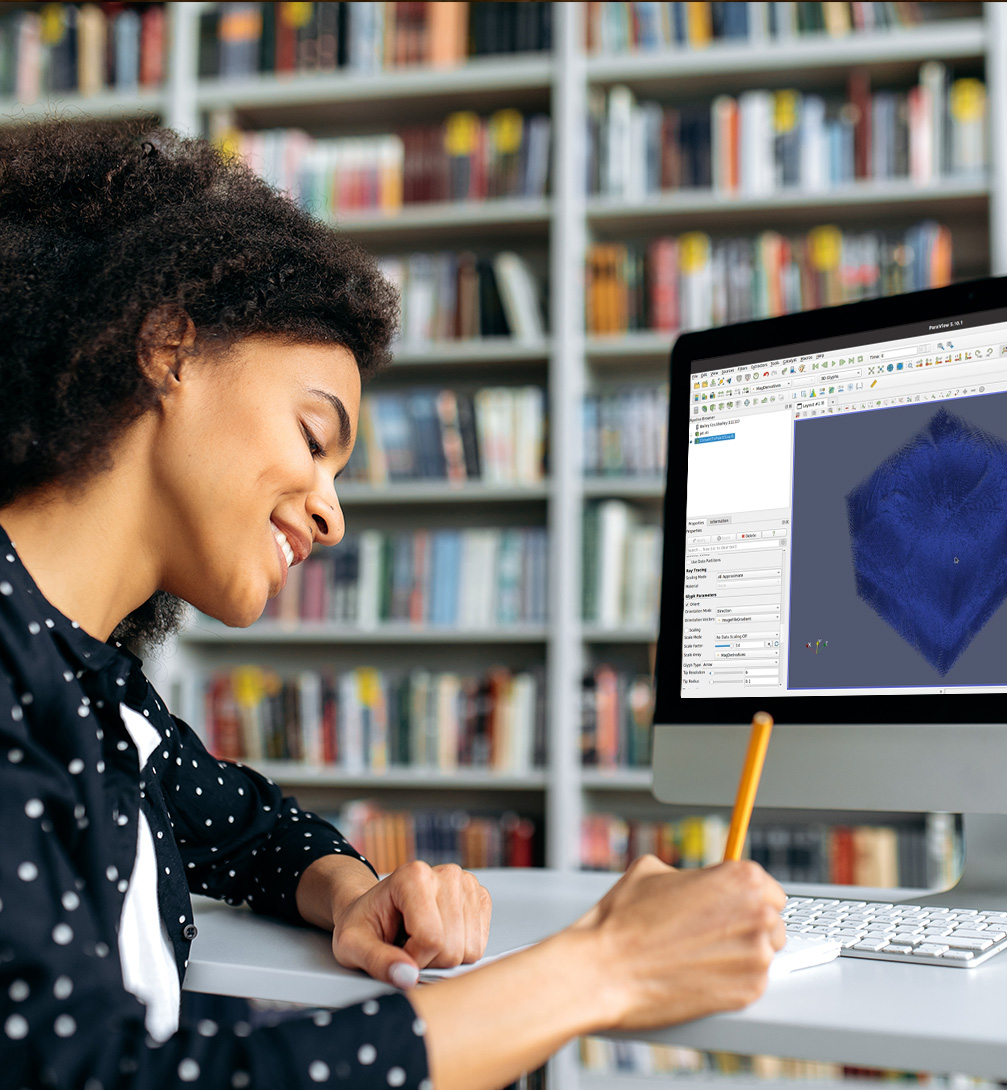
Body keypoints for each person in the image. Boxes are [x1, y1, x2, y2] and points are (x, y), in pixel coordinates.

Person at [0, 120, 787, 1090]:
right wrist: (603, 966)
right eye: (313, 432)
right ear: (169, 347)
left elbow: (249, 829)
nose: (331, 514)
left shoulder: (93, 686)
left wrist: (349, 891)